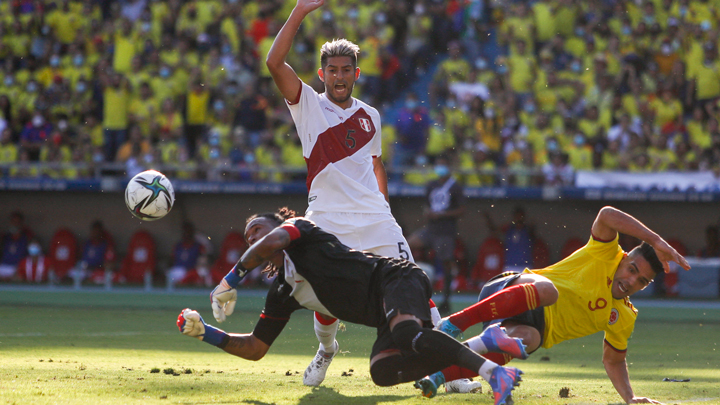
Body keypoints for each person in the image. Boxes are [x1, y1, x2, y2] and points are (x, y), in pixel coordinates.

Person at [259, 0, 441, 388]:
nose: (339, 77)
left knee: (415, 289)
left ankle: (446, 369)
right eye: (332, 70)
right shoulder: (307, 103)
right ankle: (327, 350)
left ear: (356, 73)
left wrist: (385, 211)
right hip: (326, 218)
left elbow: (375, 165)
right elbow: (274, 63)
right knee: (323, 296)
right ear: (322, 73)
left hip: (374, 218)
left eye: (345, 70)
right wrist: (299, 12)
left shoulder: (371, 116)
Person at [178, 208, 523, 405]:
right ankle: (485, 344)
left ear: (277, 224)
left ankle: (495, 373)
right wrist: (206, 333)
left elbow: (276, 240)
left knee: (407, 334)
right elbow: (255, 347)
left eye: (258, 230)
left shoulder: (300, 229)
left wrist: (231, 279)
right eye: (248, 238)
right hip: (383, 314)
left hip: (395, 278)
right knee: (382, 372)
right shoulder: (283, 290)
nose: (253, 239)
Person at [415, 206, 691, 404]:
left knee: (529, 341)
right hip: (511, 290)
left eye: (641, 281)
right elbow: (607, 214)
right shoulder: (605, 252)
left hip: (525, 324)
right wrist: (655, 240)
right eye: (632, 269)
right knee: (549, 291)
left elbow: (614, 360)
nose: (632, 281)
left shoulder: (624, 317)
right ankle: (455, 323)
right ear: (623, 258)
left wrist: (630, 398)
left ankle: (439, 376)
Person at [408, 155, 465, 313]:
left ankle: (446, 299)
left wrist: (441, 215)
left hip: (445, 231)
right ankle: (409, 283)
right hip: (430, 228)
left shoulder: (455, 186)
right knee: (407, 244)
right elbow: (426, 205)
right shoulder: (431, 184)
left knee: (446, 262)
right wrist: (428, 212)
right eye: (438, 165)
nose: (440, 168)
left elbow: (461, 209)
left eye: (443, 165)